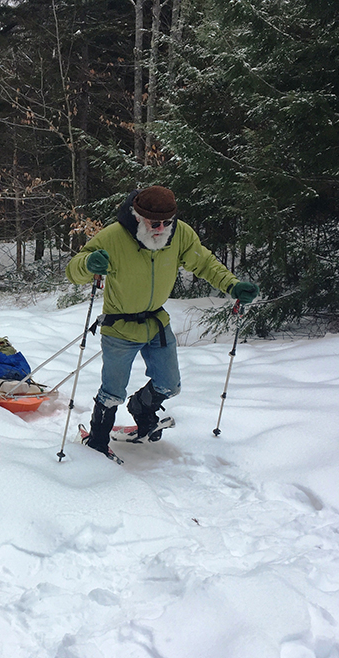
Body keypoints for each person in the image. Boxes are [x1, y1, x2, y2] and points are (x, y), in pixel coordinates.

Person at [65, 186, 259, 458]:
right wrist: (88, 264)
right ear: (137, 215)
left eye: (167, 222)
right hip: (120, 328)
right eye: (154, 223)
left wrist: (233, 285)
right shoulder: (113, 237)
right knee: (112, 392)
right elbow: (74, 269)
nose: (160, 228)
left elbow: (204, 263)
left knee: (170, 384)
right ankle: (97, 442)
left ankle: (141, 409)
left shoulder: (179, 235)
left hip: (157, 323)